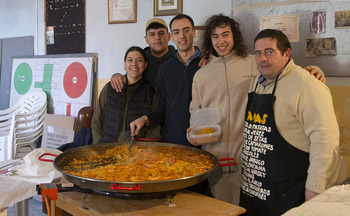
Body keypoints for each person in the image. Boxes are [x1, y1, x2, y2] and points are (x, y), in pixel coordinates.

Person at [189, 14, 327, 205]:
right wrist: (194, 133)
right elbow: (196, 116)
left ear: (234, 36)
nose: (221, 41)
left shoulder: (255, 62)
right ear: (209, 40)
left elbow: (286, 72)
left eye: (225, 34)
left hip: (253, 162)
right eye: (215, 36)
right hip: (216, 162)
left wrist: (312, 70)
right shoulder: (201, 75)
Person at [239, 29, 346, 215]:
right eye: (258, 53)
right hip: (258, 189)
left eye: (269, 52)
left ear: (286, 54)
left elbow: (325, 142)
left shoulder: (308, 85)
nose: (262, 58)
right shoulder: (258, 81)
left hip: (292, 191)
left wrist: (315, 189)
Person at [130, 14, 201, 146]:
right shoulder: (165, 69)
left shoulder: (205, 64)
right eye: (176, 32)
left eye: (186, 30)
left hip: (203, 139)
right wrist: (145, 119)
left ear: (194, 33)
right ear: (172, 37)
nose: (182, 36)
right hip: (173, 140)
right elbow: (163, 106)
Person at [91, 46, 157, 144]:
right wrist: (99, 146)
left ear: (145, 64)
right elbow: (97, 120)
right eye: (130, 60)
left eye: (139, 60)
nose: (134, 64)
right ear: (124, 64)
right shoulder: (110, 88)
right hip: (107, 148)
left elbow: (155, 126)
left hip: (135, 151)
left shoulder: (150, 92)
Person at [110, 18, 175, 91]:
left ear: (169, 36)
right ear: (146, 39)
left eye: (161, 33)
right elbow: (130, 77)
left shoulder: (179, 58)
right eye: (152, 34)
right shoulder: (140, 59)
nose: (157, 37)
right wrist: (116, 76)